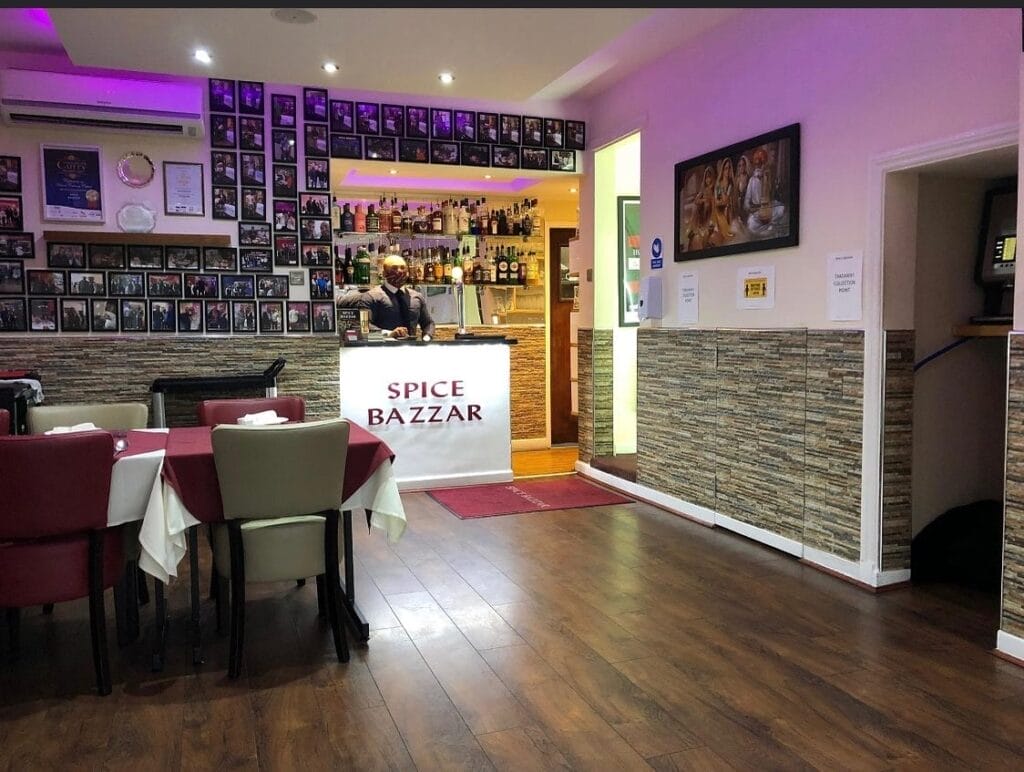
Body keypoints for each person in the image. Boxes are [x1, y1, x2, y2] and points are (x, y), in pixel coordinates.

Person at [354, 255, 435, 340]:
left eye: (403, 268)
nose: (399, 271)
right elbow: (363, 327)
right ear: (384, 273)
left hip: (411, 347)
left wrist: (426, 338)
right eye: (394, 268)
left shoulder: (416, 297)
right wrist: (389, 334)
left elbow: (428, 323)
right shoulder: (371, 297)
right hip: (383, 346)